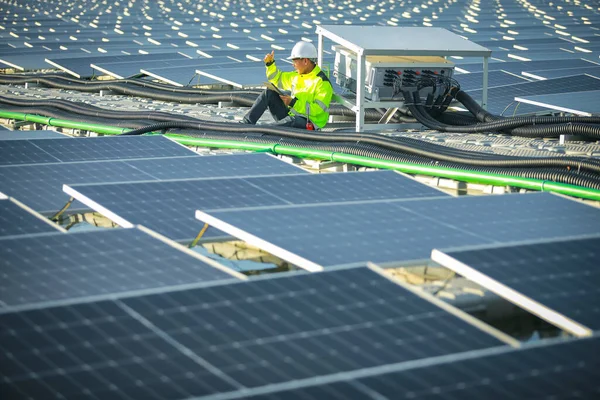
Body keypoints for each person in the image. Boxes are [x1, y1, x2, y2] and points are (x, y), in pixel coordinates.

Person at [241, 41, 333, 130]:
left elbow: (317, 110)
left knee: (292, 121)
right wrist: (270, 64)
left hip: (309, 122)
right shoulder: (296, 76)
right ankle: (246, 124)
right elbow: (276, 78)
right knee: (268, 93)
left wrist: (293, 103)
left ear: (305, 61)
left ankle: (264, 131)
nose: (293, 65)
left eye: (295, 61)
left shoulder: (322, 83)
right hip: (292, 117)